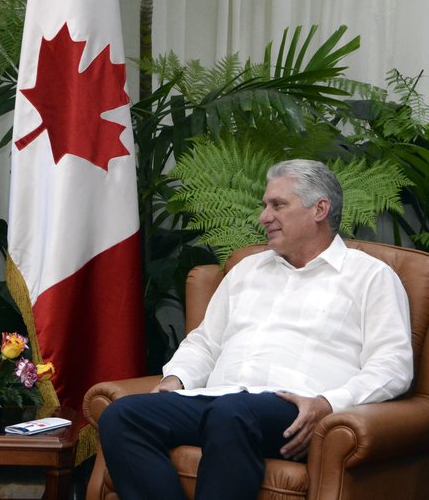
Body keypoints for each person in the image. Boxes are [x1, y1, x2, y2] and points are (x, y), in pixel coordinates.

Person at [99, 159, 413, 500]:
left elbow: (392, 365)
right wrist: (176, 380)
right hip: (218, 400)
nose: (264, 216)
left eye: (278, 205)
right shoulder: (248, 269)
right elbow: (205, 342)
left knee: (233, 412)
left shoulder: (370, 277)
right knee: (123, 415)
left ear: (319, 209)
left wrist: (328, 403)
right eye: (265, 206)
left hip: (293, 409)